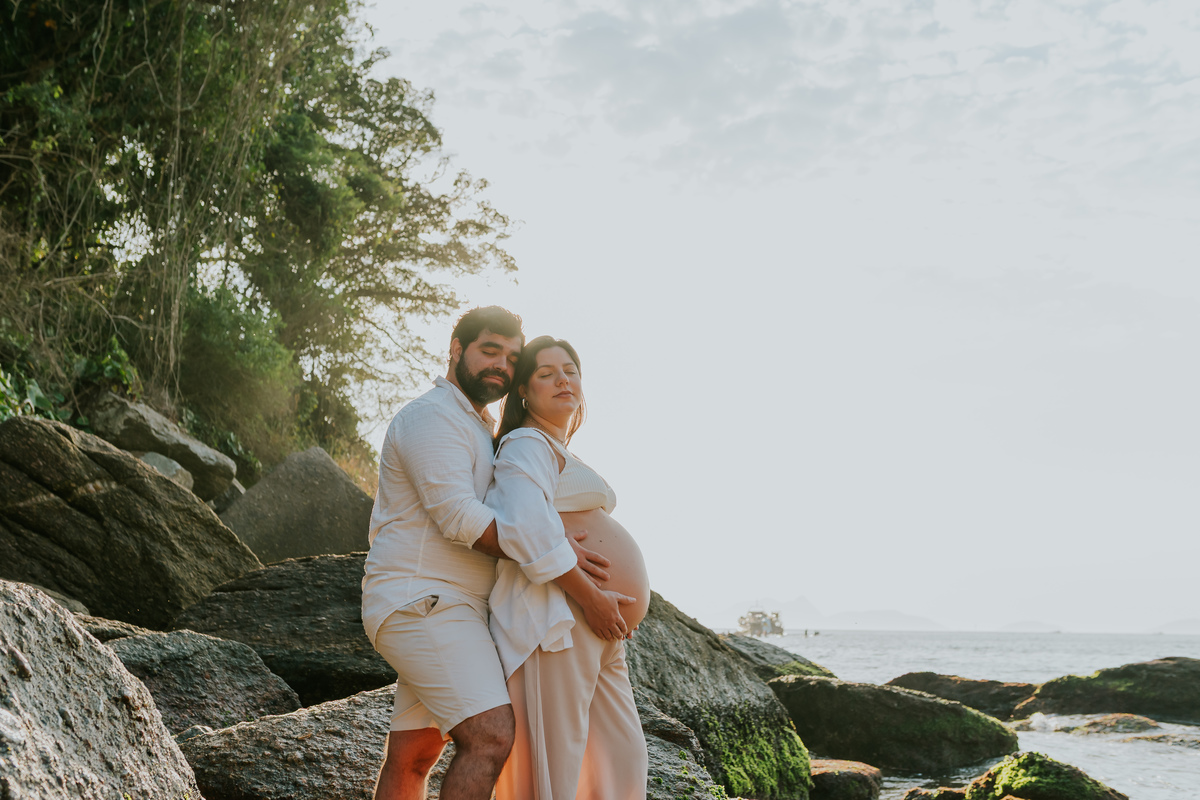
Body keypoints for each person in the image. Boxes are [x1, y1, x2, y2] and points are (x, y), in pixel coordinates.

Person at [361, 308, 610, 800]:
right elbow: (459, 517)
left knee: (413, 756)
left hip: (454, 609)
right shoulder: (431, 416)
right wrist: (553, 551)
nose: (501, 364)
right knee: (492, 737)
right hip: (424, 602)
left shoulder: (479, 425)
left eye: (511, 357)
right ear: (456, 349)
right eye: (489, 351)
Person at [484, 335, 651, 799]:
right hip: (559, 619)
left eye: (570, 370)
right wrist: (594, 597)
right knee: (554, 773)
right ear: (524, 391)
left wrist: (608, 608)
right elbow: (521, 524)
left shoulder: (560, 450)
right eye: (546, 373)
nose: (563, 379)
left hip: (598, 625)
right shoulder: (524, 443)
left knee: (621, 759)